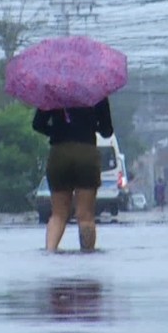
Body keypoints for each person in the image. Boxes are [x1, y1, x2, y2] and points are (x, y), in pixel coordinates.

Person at [32, 97, 113, 252]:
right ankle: (87, 257)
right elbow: (107, 130)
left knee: (58, 214)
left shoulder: (54, 91)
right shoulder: (96, 92)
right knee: (85, 214)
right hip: (86, 153)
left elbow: (37, 124)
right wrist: (90, 126)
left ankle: (50, 253)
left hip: (59, 153)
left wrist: (57, 131)